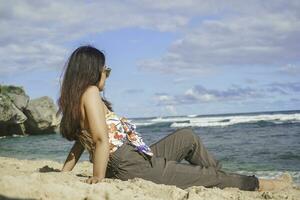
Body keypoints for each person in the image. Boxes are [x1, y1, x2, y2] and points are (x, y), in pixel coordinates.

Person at [57, 45, 292, 191]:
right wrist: (98, 179)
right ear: (91, 70)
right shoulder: (90, 92)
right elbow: (99, 140)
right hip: (129, 164)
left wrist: (64, 173)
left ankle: (220, 177)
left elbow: (81, 142)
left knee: (186, 137)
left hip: (136, 156)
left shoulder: (77, 98)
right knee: (206, 176)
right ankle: (258, 184)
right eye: (105, 70)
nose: (106, 74)